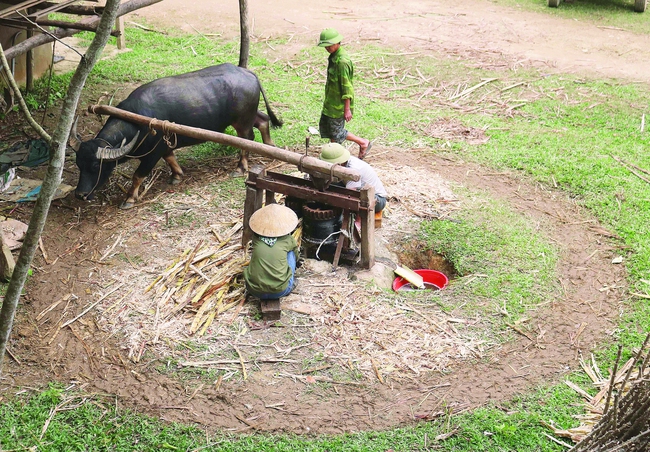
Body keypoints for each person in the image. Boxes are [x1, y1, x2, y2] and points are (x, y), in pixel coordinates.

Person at [317, 28, 372, 160]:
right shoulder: (334, 57)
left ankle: (363, 143)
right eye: (325, 46)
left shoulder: (342, 62)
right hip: (331, 102)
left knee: (337, 132)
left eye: (329, 45)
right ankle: (334, 155)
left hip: (338, 106)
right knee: (330, 130)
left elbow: (347, 88)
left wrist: (347, 109)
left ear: (337, 43)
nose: (327, 48)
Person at [244, 204, 300, 299]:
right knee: (291, 253)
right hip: (280, 291)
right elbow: (296, 256)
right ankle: (290, 282)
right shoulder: (288, 240)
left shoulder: (256, 239)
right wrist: (298, 261)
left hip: (254, 290)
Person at [319, 143, 387, 213]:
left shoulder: (353, 171)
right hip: (357, 189)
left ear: (339, 163)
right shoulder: (345, 163)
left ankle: (356, 218)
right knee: (331, 186)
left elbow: (350, 196)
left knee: (348, 200)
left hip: (376, 199)